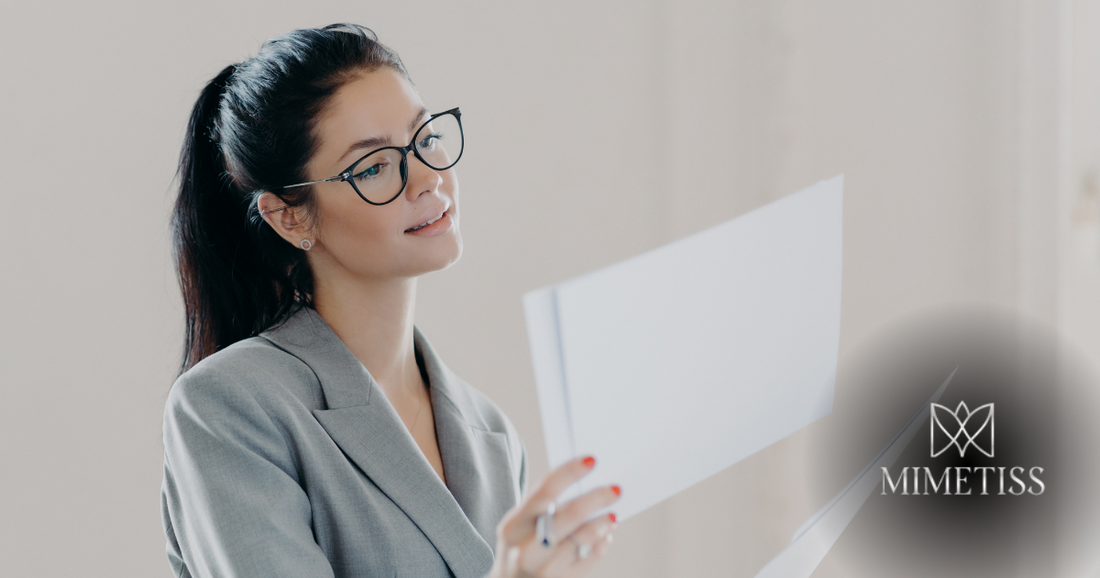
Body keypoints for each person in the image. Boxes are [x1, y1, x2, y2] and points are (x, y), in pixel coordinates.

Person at [161, 23, 621, 578]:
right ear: (290, 217)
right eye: (374, 166)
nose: (429, 179)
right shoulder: (231, 406)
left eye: (425, 138)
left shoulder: (491, 432)